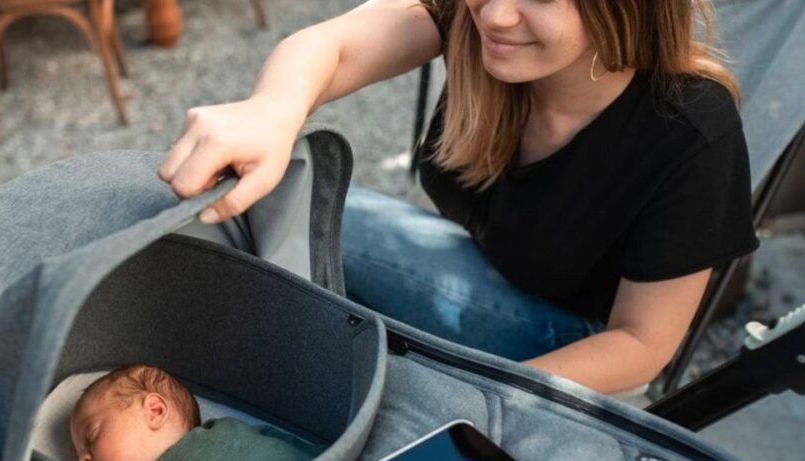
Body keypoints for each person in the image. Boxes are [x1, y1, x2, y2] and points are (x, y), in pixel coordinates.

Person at [156, 0, 757, 394]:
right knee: (264, 190)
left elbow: (642, 346)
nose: (494, 15)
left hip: (582, 348)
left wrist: (457, 394)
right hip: (485, 269)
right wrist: (270, 111)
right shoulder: (473, 23)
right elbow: (330, 45)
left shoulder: (692, 129)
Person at [69, 364, 321, 461]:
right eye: (80, 453)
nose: (82, 459)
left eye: (91, 436)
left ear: (155, 411)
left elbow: (282, 441)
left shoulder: (225, 427)